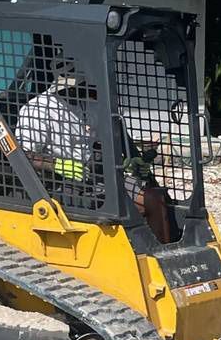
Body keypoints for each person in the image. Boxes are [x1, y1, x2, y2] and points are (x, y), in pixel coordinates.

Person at [16, 75, 171, 242]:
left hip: (94, 175)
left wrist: (133, 160)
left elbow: (112, 137)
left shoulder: (91, 105)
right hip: (58, 182)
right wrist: (57, 164)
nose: (89, 89)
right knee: (112, 210)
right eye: (82, 85)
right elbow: (23, 154)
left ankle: (162, 251)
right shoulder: (37, 110)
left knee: (154, 199)